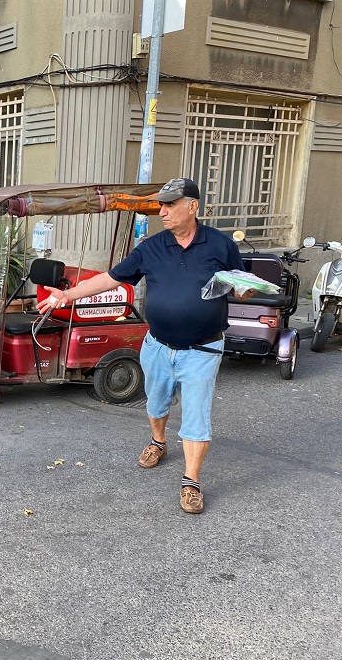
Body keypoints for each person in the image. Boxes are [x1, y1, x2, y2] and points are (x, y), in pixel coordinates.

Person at [37, 178, 247, 514]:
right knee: (156, 402)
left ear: (192, 207)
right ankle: (158, 441)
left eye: (169, 205)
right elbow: (111, 278)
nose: (162, 212)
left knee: (196, 415)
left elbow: (239, 283)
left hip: (203, 348)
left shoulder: (221, 246)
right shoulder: (152, 247)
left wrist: (244, 290)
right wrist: (67, 294)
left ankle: (190, 482)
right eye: (160, 206)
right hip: (158, 346)